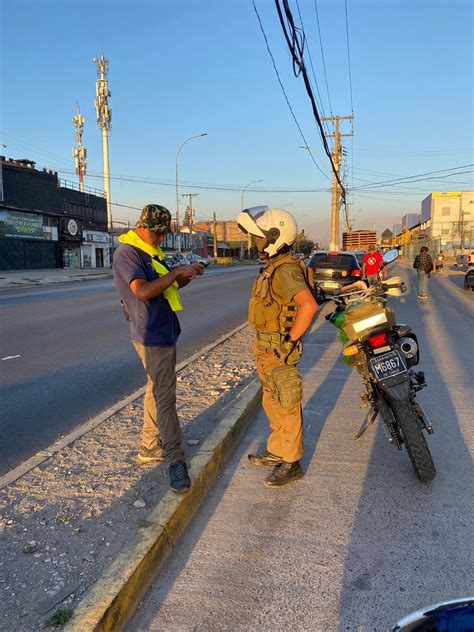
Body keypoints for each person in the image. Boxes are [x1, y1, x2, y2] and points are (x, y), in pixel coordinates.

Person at [113, 204, 205, 493]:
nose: (163, 239)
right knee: (165, 396)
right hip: (151, 333)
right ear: (150, 229)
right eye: (162, 234)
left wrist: (184, 276)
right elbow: (141, 291)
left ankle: (149, 445)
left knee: (157, 388)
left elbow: (163, 288)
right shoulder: (128, 253)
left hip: (163, 329)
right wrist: (176, 271)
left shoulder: (150, 253)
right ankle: (175, 459)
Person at [236, 206, 317, 488]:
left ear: (275, 237)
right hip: (266, 349)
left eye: (260, 238)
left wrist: (290, 342)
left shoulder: (285, 270)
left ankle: (291, 462)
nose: (257, 242)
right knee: (271, 402)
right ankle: (277, 450)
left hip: (278, 349)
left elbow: (308, 306)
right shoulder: (273, 268)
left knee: (287, 404)